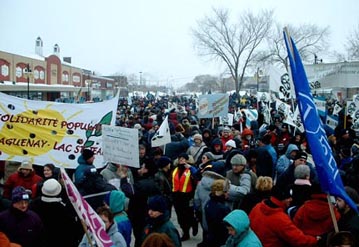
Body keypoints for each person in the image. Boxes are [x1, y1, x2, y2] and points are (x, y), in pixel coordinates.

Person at [249, 184, 319, 247]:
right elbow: (298, 240)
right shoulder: (280, 219)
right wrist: (315, 240)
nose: (291, 199)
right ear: (282, 199)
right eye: (288, 197)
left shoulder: (257, 207)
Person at [30, 178, 82, 247]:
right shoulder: (62, 208)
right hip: (59, 241)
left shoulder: (34, 203)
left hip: (39, 240)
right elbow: (71, 227)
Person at [171, 153, 197, 241]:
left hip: (187, 196)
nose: (181, 160)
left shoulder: (190, 169)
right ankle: (185, 233)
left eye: (183, 159)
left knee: (188, 215)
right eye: (180, 158)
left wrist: (190, 167)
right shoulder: (175, 169)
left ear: (187, 160)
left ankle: (194, 223)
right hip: (177, 196)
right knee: (180, 216)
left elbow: (196, 178)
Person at [204, 179, 231, 247]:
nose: (228, 193)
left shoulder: (209, 203)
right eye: (225, 191)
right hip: (220, 240)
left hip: (211, 237)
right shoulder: (223, 208)